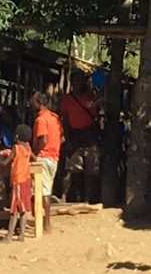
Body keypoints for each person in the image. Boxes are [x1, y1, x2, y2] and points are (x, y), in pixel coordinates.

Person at [60, 71, 100, 202]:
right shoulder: (67, 98)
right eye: (75, 80)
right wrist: (66, 137)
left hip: (89, 136)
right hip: (74, 136)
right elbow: (65, 119)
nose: (77, 83)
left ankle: (87, 199)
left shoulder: (91, 96)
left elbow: (97, 115)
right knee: (71, 169)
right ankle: (64, 197)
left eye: (80, 80)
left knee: (90, 170)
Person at [31, 92, 64, 234]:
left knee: (43, 191)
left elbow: (43, 139)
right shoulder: (54, 118)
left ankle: (46, 224)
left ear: (38, 103)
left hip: (44, 157)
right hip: (54, 157)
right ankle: (43, 220)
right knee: (47, 189)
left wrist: (35, 153)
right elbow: (62, 138)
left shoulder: (41, 120)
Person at [0, 124, 34, 242]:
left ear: (17, 137)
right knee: (23, 209)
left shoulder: (16, 148)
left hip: (18, 181)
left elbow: (6, 162)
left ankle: (9, 236)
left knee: (14, 210)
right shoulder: (28, 147)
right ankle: (22, 235)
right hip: (27, 180)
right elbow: (34, 158)